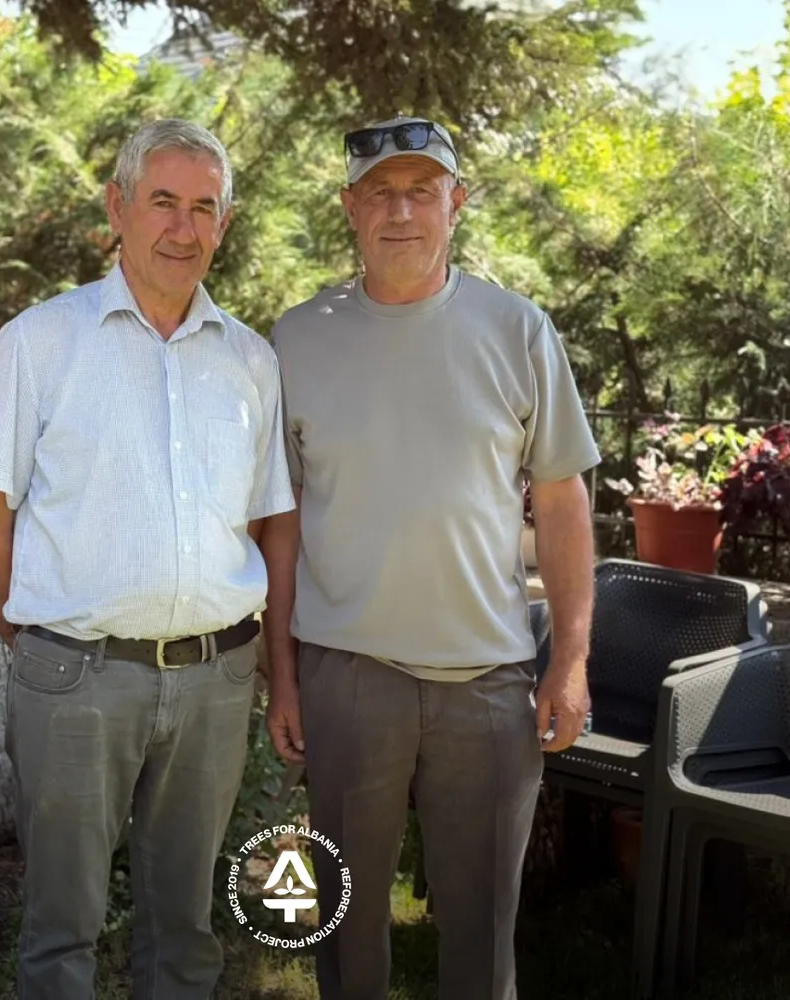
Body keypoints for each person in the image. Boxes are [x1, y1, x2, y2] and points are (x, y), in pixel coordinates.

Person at [0, 118, 295, 1000]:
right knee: (61, 929)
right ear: (117, 207)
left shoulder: (251, 360)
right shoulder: (40, 341)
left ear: (224, 224)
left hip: (216, 683)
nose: (183, 228)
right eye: (162, 202)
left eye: (204, 209)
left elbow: (269, 523)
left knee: (184, 930)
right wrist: (39, 641)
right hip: (75, 678)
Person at [263, 116, 601, 1000]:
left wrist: (569, 661)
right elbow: (281, 520)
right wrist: (284, 675)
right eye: (380, 192)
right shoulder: (296, 339)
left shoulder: (519, 330)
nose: (401, 210)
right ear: (349, 207)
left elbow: (561, 501)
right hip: (346, 676)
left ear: (458, 202)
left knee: (482, 938)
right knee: (345, 933)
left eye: (422, 190)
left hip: (488, 683)